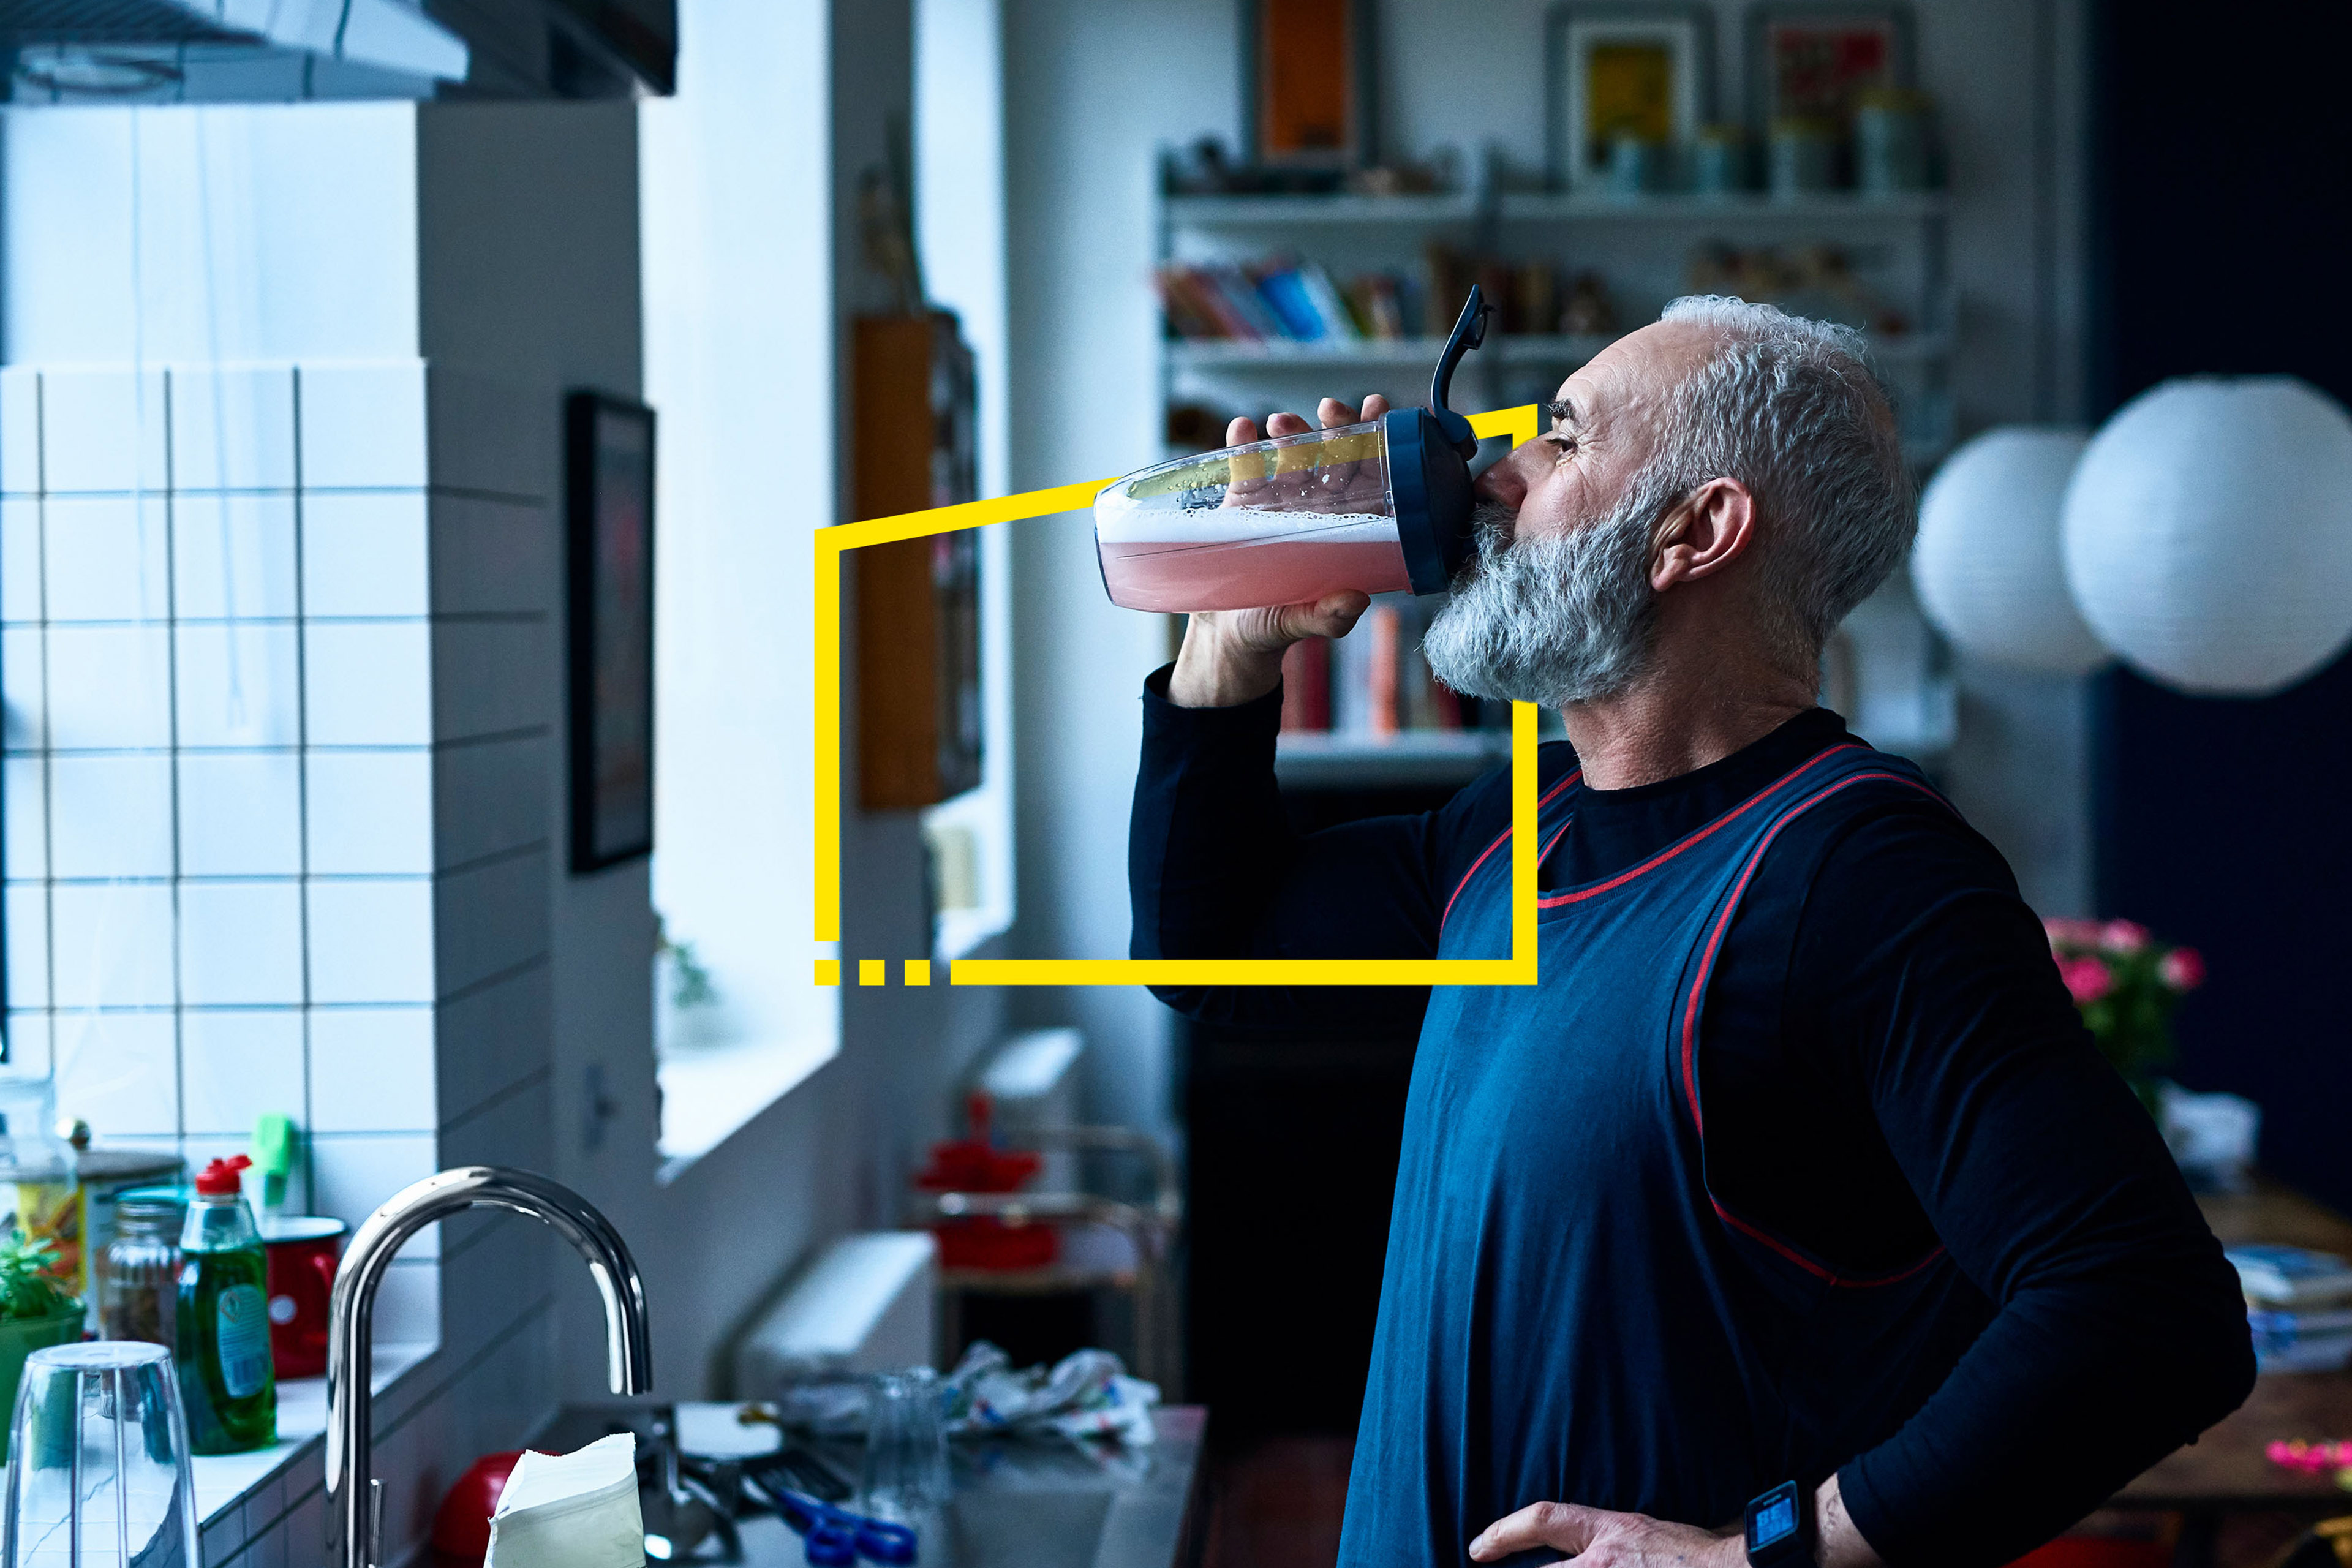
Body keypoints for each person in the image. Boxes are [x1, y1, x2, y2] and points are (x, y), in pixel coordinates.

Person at [1127, 296, 2254, 1568]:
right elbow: (1210, 954)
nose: (1494, 475)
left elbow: (2149, 1313)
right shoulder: (1510, 824)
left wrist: (1756, 1553)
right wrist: (1232, 638)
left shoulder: (1865, 876)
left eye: (1559, 440)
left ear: (1697, 531)